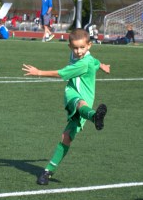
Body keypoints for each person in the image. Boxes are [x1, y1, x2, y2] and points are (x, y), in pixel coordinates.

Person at [22, 28, 110, 185]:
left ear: (89, 45)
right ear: (70, 47)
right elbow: (95, 61)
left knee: (67, 137)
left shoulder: (83, 63)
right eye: (75, 48)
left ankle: (93, 117)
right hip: (74, 96)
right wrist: (102, 65)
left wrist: (38, 72)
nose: (78, 51)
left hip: (84, 100)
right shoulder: (83, 56)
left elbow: (61, 73)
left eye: (82, 47)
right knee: (77, 106)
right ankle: (47, 172)